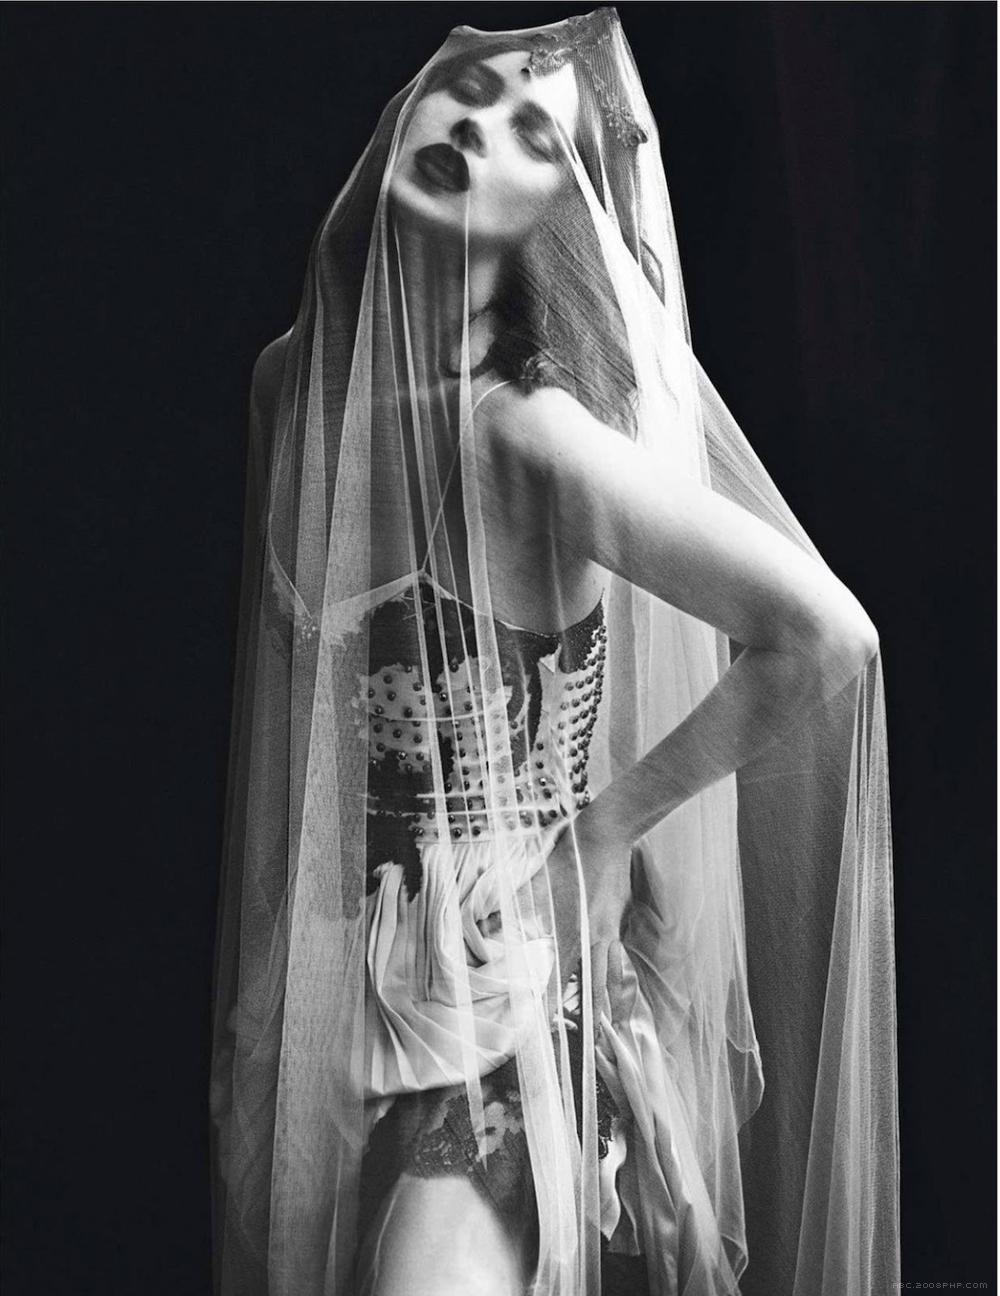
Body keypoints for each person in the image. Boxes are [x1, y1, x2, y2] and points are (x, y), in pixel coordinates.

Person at [210, 11, 899, 1296]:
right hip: (334, 983)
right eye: (467, 92)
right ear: (404, 114)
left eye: (534, 134)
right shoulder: (290, 387)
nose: (478, 128)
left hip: (502, 997)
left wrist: (603, 834)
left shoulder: (529, 438)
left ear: (554, 211)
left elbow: (824, 635)